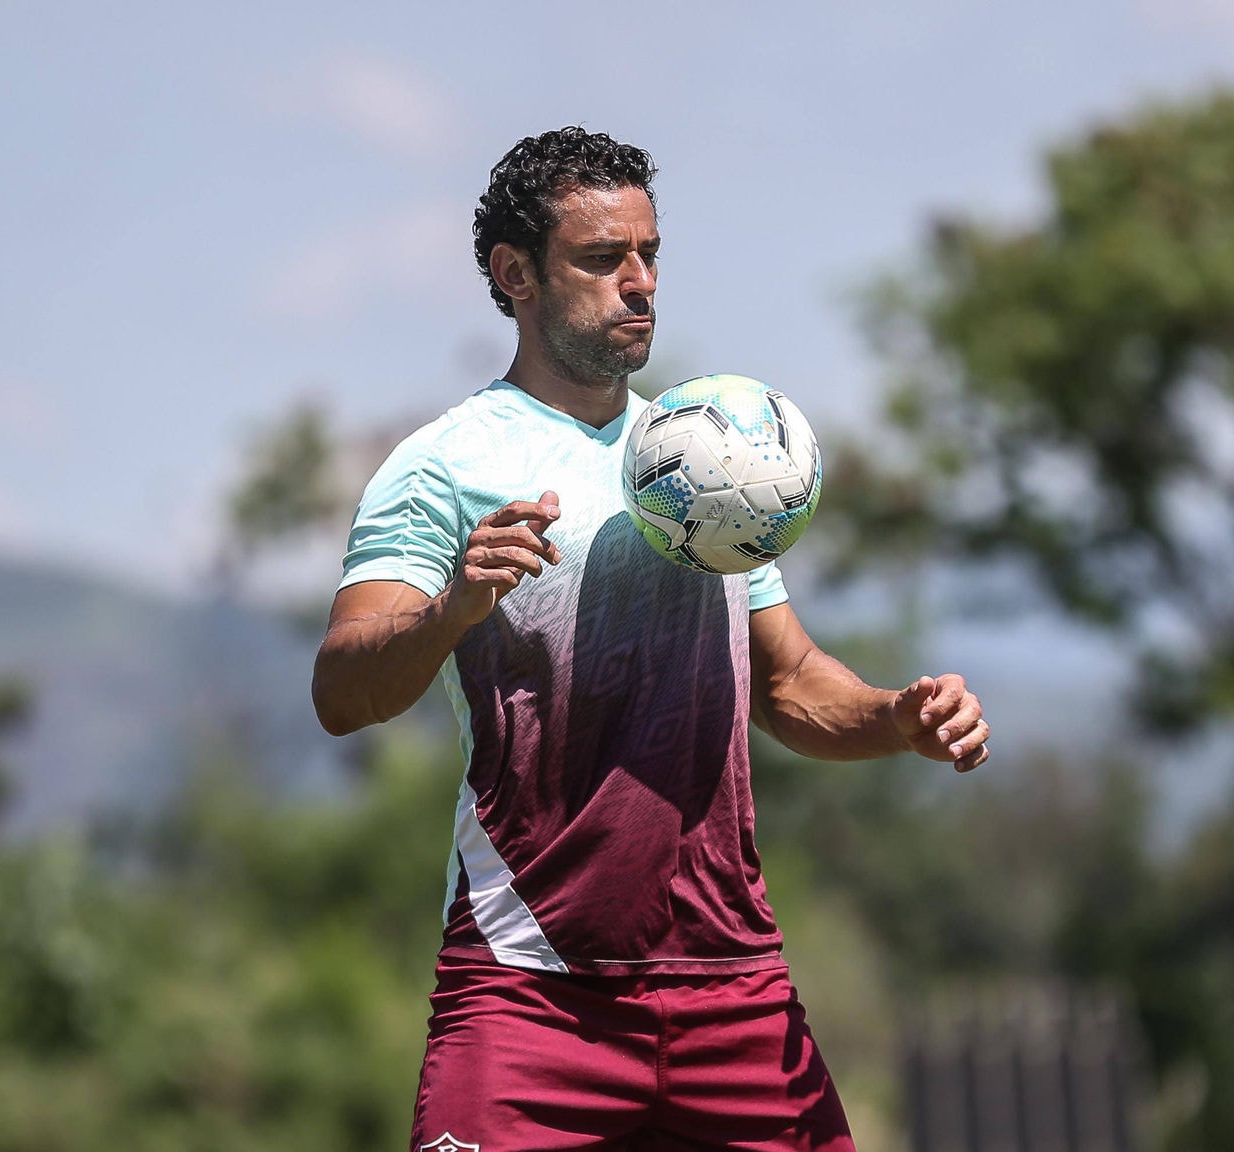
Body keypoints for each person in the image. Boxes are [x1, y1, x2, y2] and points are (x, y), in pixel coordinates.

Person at [312, 127, 989, 1152]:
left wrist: (897, 717)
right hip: (529, 992)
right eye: (601, 258)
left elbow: (791, 683)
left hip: (736, 995)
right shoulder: (443, 465)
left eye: (649, 254)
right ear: (515, 276)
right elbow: (341, 693)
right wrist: (451, 606)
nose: (639, 283)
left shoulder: (708, 456)